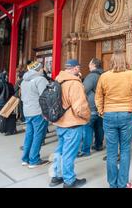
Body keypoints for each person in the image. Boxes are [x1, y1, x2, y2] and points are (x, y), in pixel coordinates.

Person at [95, 52, 132, 189]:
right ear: (125, 61)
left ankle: (112, 184)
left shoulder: (104, 76)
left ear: (112, 61)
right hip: (127, 114)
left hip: (109, 114)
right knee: (126, 150)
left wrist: (101, 111)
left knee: (111, 152)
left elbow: (98, 97)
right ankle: (123, 184)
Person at [49, 59, 90, 188]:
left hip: (60, 122)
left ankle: (56, 176)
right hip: (72, 123)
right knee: (69, 153)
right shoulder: (74, 83)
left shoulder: (58, 80)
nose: (79, 69)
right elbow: (80, 107)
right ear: (74, 68)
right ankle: (69, 180)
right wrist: (87, 117)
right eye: (78, 67)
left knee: (60, 151)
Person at [20, 61, 50, 168]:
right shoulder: (41, 79)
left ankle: (25, 159)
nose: (43, 69)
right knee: (38, 136)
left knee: (29, 135)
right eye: (42, 67)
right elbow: (46, 97)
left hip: (27, 111)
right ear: (39, 69)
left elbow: (22, 97)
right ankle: (34, 160)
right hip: (38, 112)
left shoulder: (24, 81)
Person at [78, 58, 104, 157]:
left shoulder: (92, 76)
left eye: (89, 64)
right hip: (101, 106)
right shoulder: (104, 75)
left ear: (93, 65)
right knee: (99, 127)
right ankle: (99, 145)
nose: (88, 66)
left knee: (87, 128)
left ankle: (85, 150)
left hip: (92, 107)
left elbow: (83, 90)